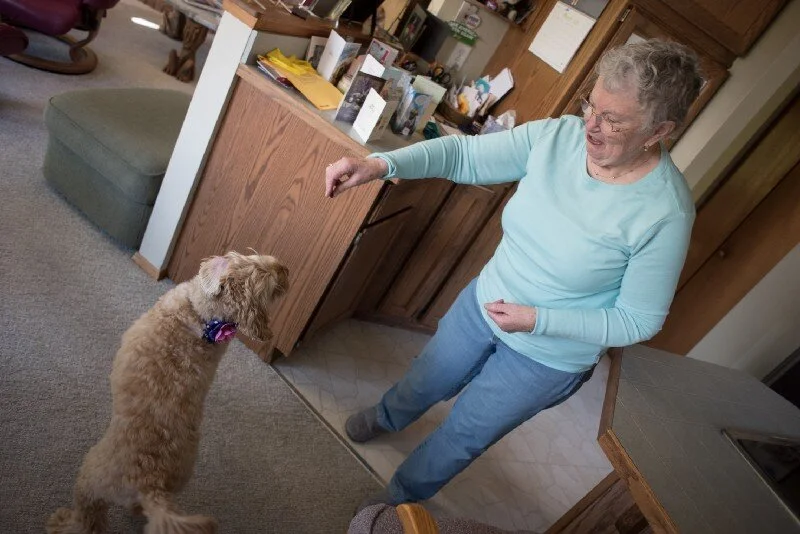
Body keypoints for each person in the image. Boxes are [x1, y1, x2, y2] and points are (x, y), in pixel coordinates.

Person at [324, 39, 703, 509]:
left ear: (658, 131)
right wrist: (381, 164)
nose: (591, 125)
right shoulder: (558, 137)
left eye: (613, 120)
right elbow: (463, 156)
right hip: (485, 300)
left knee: (465, 432)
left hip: (550, 354)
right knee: (428, 376)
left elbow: (638, 319)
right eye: (592, 105)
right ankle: (387, 416)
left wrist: (536, 319)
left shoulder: (665, 212)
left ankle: (396, 502)